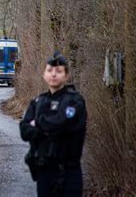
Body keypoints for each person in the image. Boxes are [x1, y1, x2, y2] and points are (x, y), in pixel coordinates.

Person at [20, 51, 87, 196]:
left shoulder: (75, 101)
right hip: (44, 172)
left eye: (59, 71)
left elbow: (60, 124)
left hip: (69, 171)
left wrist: (37, 124)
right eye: (49, 70)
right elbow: (24, 130)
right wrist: (46, 127)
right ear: (44, 74)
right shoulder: (37, 102)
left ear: (66, 75)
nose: (53, 74)